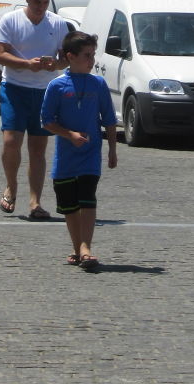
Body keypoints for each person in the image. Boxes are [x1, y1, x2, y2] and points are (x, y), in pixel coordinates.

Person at [41, 30, 118, 270]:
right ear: (70, 56)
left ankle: (86, 248)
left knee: (87, 200)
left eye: (93, 55)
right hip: (65, 157)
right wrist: (69, 134)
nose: (91, 60)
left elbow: (109, 119)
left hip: (90, 155)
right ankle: (78, 248)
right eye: (86, 55)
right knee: (69, 205)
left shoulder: (98, 84)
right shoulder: (56, 86)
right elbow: (46, 120)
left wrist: (112, 150)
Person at [0, 0, 67, 220]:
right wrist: (27, 64)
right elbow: (0, 55)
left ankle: (35, 201)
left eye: (46, 2)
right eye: (37, 2)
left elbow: (66, 59)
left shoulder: (58, 24)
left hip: (45, 91)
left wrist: (55, 63)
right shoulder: (10, 20)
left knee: (38, 148)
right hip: (15, 87)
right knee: (11, 142)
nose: (41, 7)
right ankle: (11, 186)